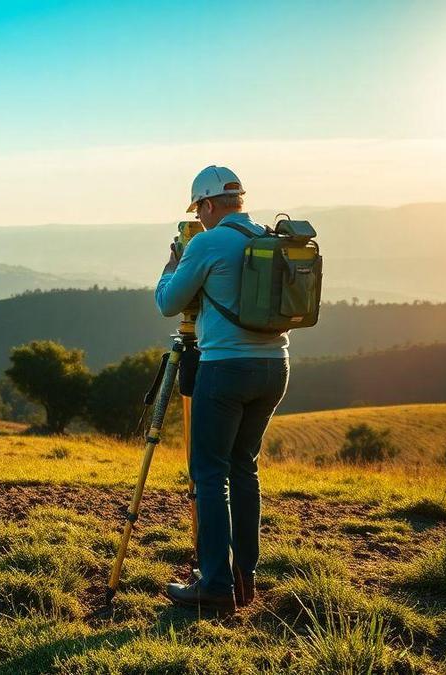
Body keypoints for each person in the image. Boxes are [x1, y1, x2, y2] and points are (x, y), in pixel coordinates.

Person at [154, 165, 290, 613]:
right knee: (243, 469)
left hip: (225, 369)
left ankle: (213, 584)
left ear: (208, 205)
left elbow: (168, 303)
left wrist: (174, 264)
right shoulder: (268, 236)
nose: (201, 217)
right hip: (275, 367)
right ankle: (242, 576)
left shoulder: (207, 242)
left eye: (200, 209)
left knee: (209, 475)